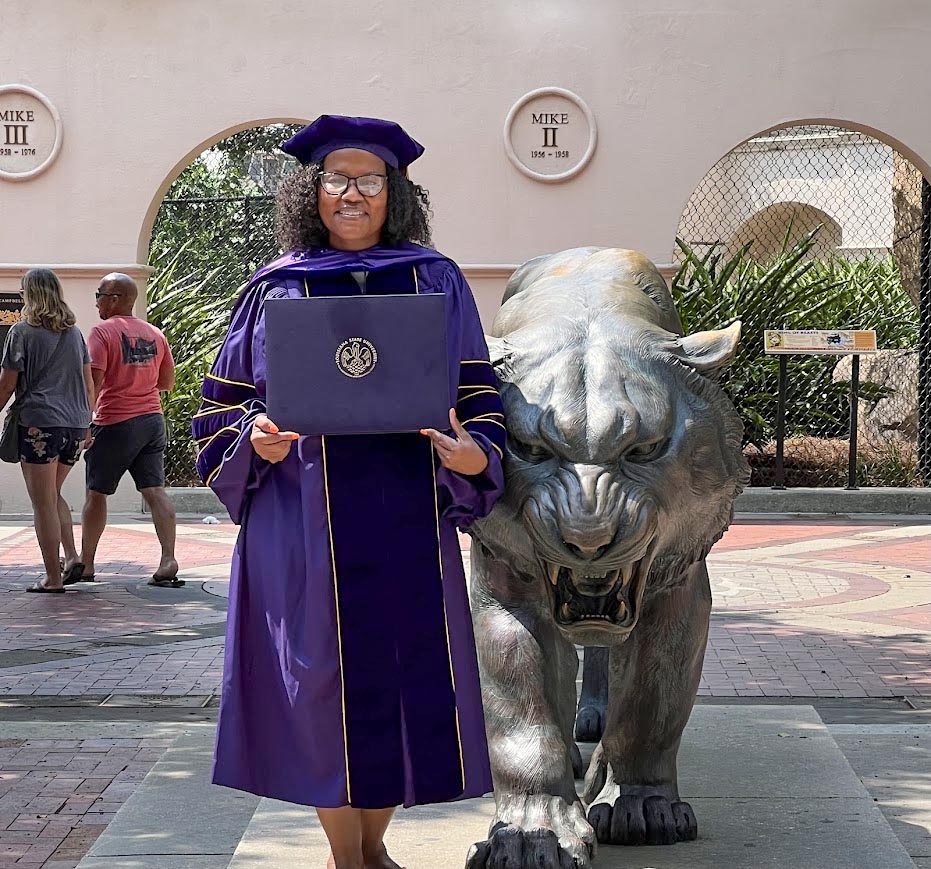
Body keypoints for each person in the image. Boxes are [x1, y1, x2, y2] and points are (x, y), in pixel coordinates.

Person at [193, 115, 506, 869]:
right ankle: (346, 856)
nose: (354, 194)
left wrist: (476, 455)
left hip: (405, 508)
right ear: (313, 190)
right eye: (339, 179)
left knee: (402, 679)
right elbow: (219, 407)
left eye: (371, 180)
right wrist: (252, 440)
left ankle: (373, 846)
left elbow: (478, 387)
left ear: (394, 192)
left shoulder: (436, 277)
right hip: (301, 516)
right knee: (318, 689)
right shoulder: (275, 285)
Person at [67, 273, 181, 587]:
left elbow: (95, 383)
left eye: (99, 294)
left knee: (96, 494)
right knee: (154, 490)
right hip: (152, 421)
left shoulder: (102, 332)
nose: (96, 301)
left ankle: (87, 564)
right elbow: (167, 383)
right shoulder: (155, 334)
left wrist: (84, 423)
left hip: (115, 421)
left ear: (115, 298)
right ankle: (168, 558)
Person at [0, 269, 93, 593]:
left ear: (33, 294)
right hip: (74, 425)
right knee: (52, 495)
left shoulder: (21, 333)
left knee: (42, 504)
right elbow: (88, 382)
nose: (22, 296)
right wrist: (88, 423)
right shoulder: (74, 334)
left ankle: (53, 578)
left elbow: (6, 386)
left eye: (24, 291)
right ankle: (71, 557)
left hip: (39, 423)